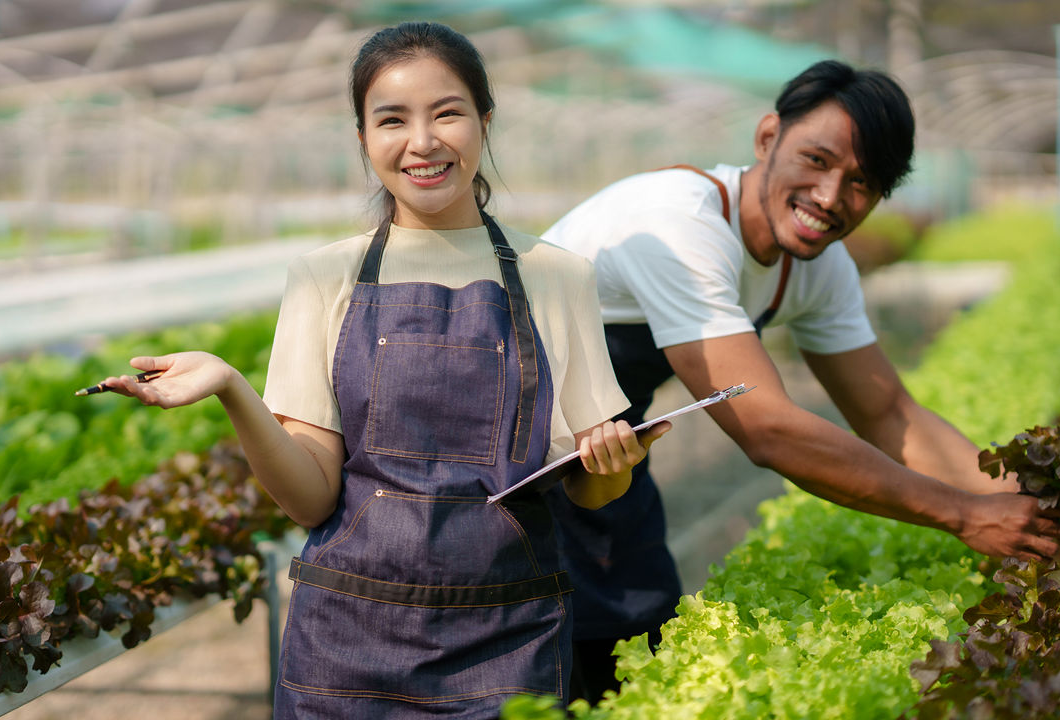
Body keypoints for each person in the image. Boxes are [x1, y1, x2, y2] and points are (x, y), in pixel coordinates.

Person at [99, 21, 670, 719]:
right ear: (364, 139)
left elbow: (591, 491)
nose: (422, 141)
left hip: (507, 637)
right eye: (392, 119)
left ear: (485, 123)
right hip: (346, 644)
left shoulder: (559, 277)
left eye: (448, 113)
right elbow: (311, 500)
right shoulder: (322, 277)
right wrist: (231, 387)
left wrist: (613, 462)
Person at [539, 59, 1060, 701]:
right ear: (768, 137)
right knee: (556, 643)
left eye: (861, 182)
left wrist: (1037, 514)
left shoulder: (816, 268)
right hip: (497, 432)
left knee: (634, 623)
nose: (829, 197)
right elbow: (768, 429)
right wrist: (964, 514)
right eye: (816, 160)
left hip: (598, 444)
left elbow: (887, 412)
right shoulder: (679, 224)